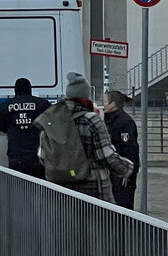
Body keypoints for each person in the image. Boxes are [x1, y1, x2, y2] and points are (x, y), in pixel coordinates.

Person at [52, 73, 133, 203]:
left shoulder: (55, 120)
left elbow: (44, 155)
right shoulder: (91, 121)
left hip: (62, 187)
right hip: (91, 187)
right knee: (93, 222)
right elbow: (106, 156)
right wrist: (128, 169)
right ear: (85, 97)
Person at [0, 77, 51, 178]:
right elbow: (50, 123)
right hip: (37, 155)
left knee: (19, 186)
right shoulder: (42, 104)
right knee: (39, 186)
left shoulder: (6, 105)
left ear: (15, 90)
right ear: (30, 89)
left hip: (16, 154)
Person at [102, 89, 140, 209]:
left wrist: (128, 173)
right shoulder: (110, 120)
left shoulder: (124, 122)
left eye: (105, 101)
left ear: (112, 104)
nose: (104, 105)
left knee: (122, 205)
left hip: (123, 170)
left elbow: (130, 148)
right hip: (114, 168)